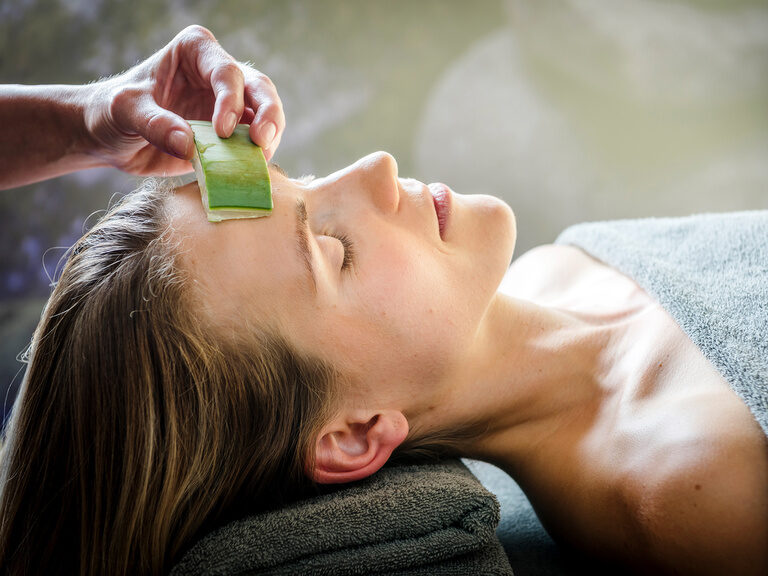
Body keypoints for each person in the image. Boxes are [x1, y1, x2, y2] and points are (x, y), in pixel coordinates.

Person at [0, 25, 765, 576]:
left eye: (298, 179)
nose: (375, 165)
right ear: (355, 435)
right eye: (334, 250)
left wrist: (84, 115)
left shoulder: (552, 274)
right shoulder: (697, 489)